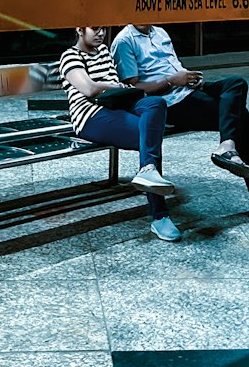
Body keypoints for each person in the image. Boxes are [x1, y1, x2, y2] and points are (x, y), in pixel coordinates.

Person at [111, 23, 249, 219]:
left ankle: (228, 145)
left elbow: (173, 67)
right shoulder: (124, 41)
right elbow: (134, 90)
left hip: (188, 90)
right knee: (239, 115)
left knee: (236, 84)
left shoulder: (160, 33)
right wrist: (172, 81)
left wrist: (190, 80)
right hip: (169, 104)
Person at [58, 26, 182, 242]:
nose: (101, 34)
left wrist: (118, 88)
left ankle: (148, 170)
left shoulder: (104, 51)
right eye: (95, 29)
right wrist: (115, 85)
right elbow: (89, 89)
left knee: (156, 103)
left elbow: (110, 88)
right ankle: (160, 215)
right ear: (79, 29)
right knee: (149, 135)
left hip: (117, 105)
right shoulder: (70, 56)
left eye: (103, 29)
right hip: (90, 115)